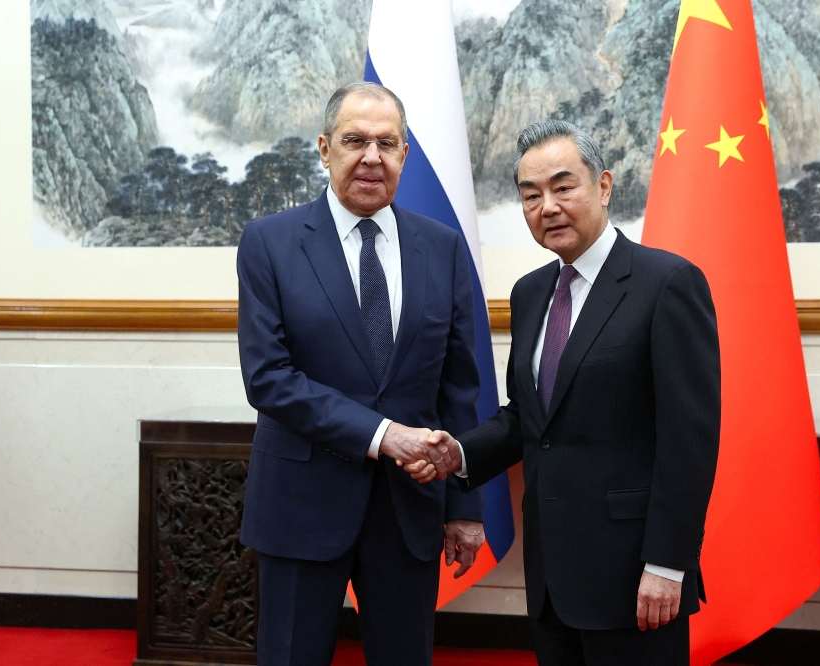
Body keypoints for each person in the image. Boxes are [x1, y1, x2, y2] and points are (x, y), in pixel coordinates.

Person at [410, 120, 721, 665]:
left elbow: (688, 439)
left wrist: (669, 564)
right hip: (552, 575)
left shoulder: (667, 283)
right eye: (530, 196)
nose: (547, 206)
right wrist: (458, 454)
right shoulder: (531, 294)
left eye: (562, 186)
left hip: (635, 575)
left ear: (603, 186)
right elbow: (528, 419)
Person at [236, 82, 485, 666]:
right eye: (354, 141)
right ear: (325, 149)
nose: (371, 157)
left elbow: (458, 388)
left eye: (387, 143)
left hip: (410, 512)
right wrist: (383, 435)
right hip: (301, 506)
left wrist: (465, 508)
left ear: (404, 155)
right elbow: (269, 378)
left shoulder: (444, 249)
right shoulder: (269, 243)